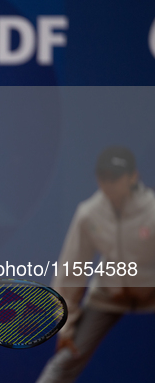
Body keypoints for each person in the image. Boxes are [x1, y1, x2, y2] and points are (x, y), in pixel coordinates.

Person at [37, 146, 155, 382]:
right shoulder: (89, 214)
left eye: (115, 177)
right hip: (107, 295)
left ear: (133, 176)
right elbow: (71, 270)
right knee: (66, 358)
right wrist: (66, 325)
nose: (108, 183)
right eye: (103, 177)